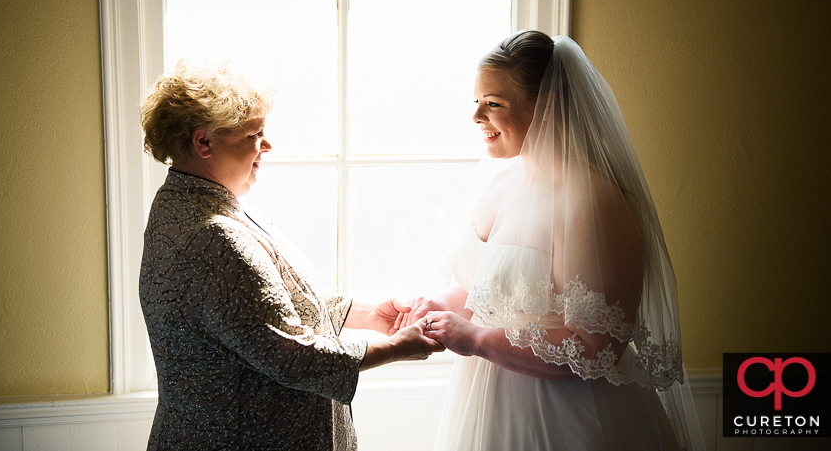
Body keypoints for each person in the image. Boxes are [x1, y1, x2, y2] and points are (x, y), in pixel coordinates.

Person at [400, 32, 705, 450]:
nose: (476, 117)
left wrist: (475, 339)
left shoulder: (591, 202)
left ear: (546, 108)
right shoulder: (503, 181)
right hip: (487, 407)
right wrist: (440, 306)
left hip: (563, 417)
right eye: (476, 102)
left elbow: (597, 348)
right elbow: (491, 285)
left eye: (493, 104)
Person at [138, 58, 442, 451]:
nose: (266, 145)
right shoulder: (212, 235)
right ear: (204, 142)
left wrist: (366, 315)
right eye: (255, 134)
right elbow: (291, 355)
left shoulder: (194, 204)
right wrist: (399, 347)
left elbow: (260, 309)